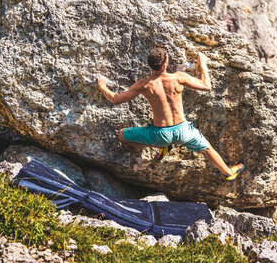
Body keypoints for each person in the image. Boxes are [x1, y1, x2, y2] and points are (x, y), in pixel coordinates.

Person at [97, 47, 244, 180]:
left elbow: (116, 99)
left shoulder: (144, 84)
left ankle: (162, 147)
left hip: (160, 135)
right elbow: (206, 86)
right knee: (207, 149)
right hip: (184, 130)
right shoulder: (178, 77)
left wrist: (103, 87)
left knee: (122, 135)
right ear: (165, 63)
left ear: (150, 65)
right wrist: (202, 63)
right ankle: (228, 173)